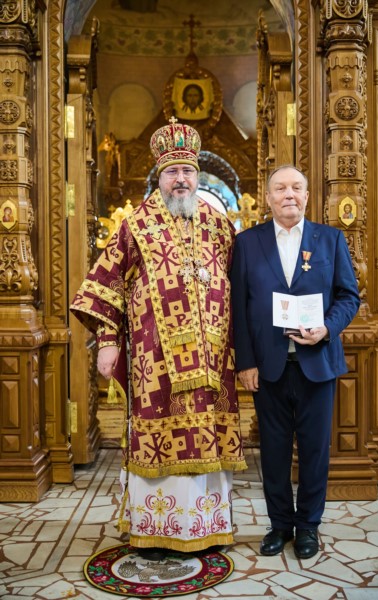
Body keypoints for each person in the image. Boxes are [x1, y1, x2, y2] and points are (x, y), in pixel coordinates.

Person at [70, 117, 247, 561]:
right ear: (159, 176)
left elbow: (242, 284)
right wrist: (108, 341)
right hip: (156, 364)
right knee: (158, 441)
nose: (181, 179)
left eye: (187, 170)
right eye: (172, 172)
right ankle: (155, 531)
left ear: (197, 174)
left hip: (212, 360)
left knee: (208, 437)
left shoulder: (219, 224)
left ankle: (207, 527)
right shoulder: (135, 225)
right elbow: (106, 285)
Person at [230, 165, 360, 560]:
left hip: (317, 363)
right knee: (273, 452)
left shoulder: (330, 239)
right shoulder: (247, 242)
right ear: (268, 197)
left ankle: (308, 527)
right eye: (281, 188)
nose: (289, 194)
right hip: (268, 367)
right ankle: (279, 525)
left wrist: (326, 328)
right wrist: (245, 363)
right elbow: (239, 307)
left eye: (296, 187)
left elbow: (349, 296)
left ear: (306, 195)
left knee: (315, 451)